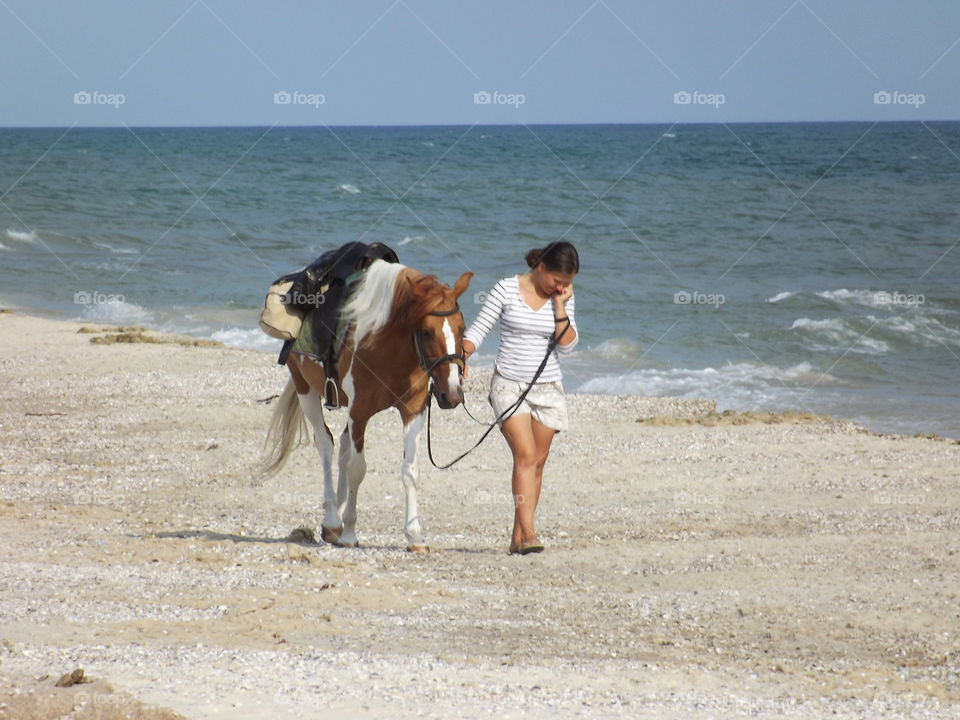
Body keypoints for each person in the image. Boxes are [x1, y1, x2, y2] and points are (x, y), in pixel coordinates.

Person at [462, 241, 579, 555]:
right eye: (557, 280)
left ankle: (517, 538)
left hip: (548, 388)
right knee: (525, 457)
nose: (562, 287)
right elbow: (478, 330)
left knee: (537, 465)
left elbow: (567, 344)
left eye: (568, 283)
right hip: (509, 386)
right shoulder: (505, 289)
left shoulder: (564, 297)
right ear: (541, 267)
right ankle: (529, 533)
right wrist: (459, 358)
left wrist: (559, 305)